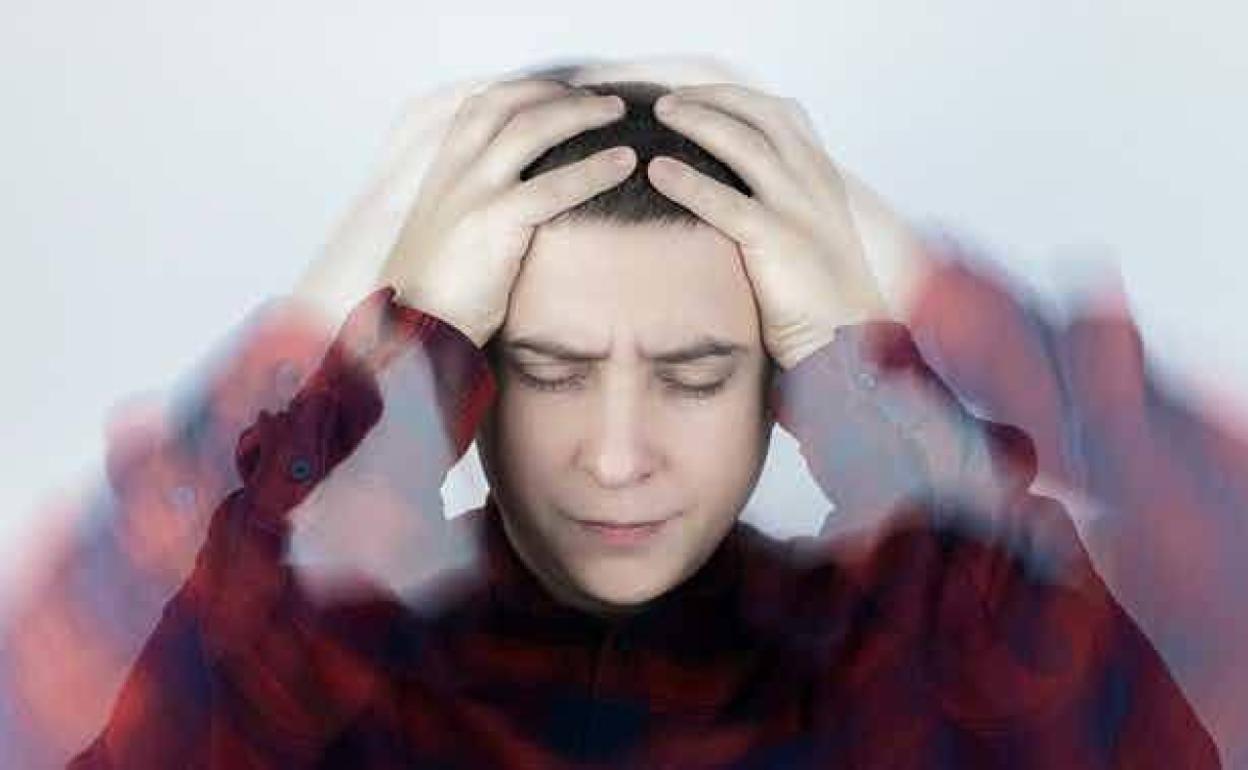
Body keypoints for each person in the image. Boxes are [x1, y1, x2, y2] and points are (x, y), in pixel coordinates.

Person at [2, 65, 1222, 768]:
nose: (621, 455)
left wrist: (901, 322)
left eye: (694, 374)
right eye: (551, 371)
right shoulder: (330, 675)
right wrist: (339, 335)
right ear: (466, 379)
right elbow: (43, 724)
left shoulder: (907, 661)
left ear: (783, 388)